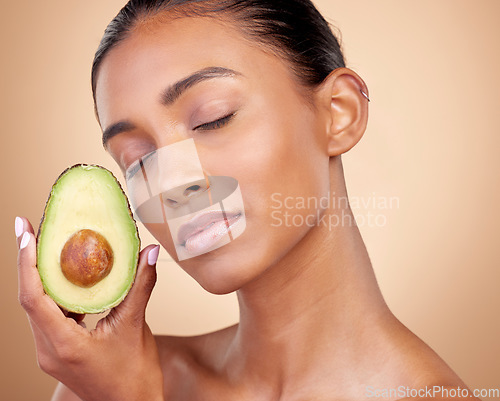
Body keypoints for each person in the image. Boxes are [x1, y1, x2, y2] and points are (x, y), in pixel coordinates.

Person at [15, 0, 480, 400]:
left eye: (213, 119)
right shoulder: (104, 379)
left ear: (339, 113)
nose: (170, 184)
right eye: (136, 158)